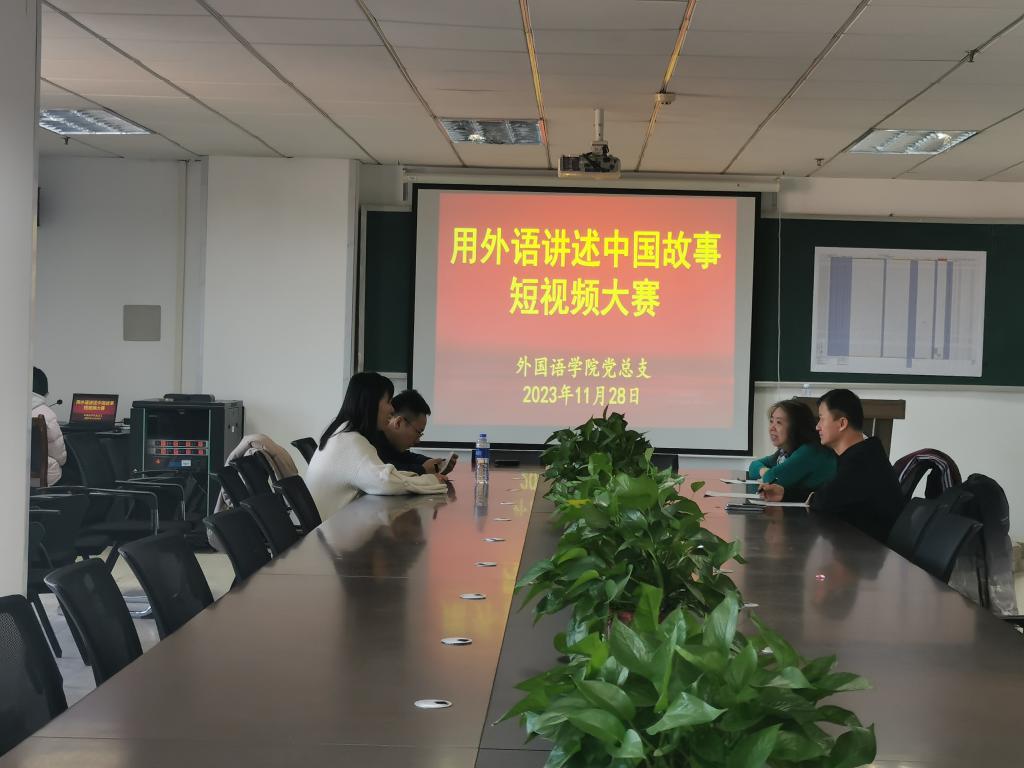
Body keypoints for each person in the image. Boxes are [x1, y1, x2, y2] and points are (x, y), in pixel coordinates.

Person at [761, 389, 903, 543]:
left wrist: (791, 495)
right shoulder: (862, 453)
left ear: (842, 423)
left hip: (865, 551)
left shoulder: (861, 462)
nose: (817, 427)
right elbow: (826, 495)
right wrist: (785, 494)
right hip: (855, 545)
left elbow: (824, 501)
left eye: (822, 419)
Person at [305, 372, 447, 519]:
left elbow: (386, 475)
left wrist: (425, 478)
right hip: (330, 530)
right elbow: (386, 482)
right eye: (388, 401)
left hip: (330, 525)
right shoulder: (351, 441)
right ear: (371, 403)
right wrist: (430, 481)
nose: (392, 409)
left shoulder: (342, 432)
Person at [747, 399, 835, 501]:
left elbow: (771, 480)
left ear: (796, 427)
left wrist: (768, 473)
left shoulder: (810, 451)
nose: (772, 428)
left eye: (779, 422)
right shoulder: (785, 452)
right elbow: (753, 466)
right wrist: (766, 471)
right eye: (771, 421)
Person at [374, 389, 455, 476]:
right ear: (398, 423)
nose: (418, 440)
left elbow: (408, 457)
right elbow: (388, 471)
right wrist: (423, 470)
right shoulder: (372, 445)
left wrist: (437, 465)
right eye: (418, 432)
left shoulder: (391, 443)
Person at [31, 366, 67, 486]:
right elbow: (60, 457)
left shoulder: (8, 410)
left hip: (10, 473)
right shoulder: (46, 414)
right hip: (39, 477)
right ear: (45, 392)